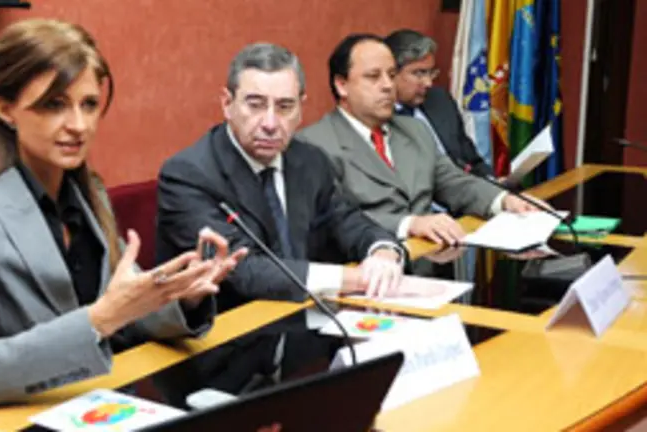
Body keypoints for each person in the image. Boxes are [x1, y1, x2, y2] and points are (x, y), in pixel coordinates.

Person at [0, 18, 246, 413]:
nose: (79, 125)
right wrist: (99, 319)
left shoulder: (90, 195)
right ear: (5, 109)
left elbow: (129, 308)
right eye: (54, 105)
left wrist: (179, 296)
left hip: (108, 407)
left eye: (88, 104)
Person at [156, 43, 406, 313]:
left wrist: (383, 251)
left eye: (285, 106)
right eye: (256, 105)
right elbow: (241, 270)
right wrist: (354, 279)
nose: (271, 123)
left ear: (301, 108)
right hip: (229, 335)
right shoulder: (188, 174)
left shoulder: (309, 161)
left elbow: (346, 220)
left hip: (303, 327)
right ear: (227, 104)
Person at [297, 34, 537, 249]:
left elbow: (454, 183)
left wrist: (504, 201)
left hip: (433, 265)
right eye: (373, 77)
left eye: (391, 75)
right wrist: (410, 224)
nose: (388, 86)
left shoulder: (414, 130)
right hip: (366, 276)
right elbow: (332, 220)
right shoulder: (313, 145)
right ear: (342, 85)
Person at [384, 29, 494, 179]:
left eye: (431, 73)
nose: (428, 83)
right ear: (391, 73)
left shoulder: (440, 100)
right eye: (419, 73)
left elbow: (472, 161)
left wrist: (494, 184)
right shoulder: (378, 116)